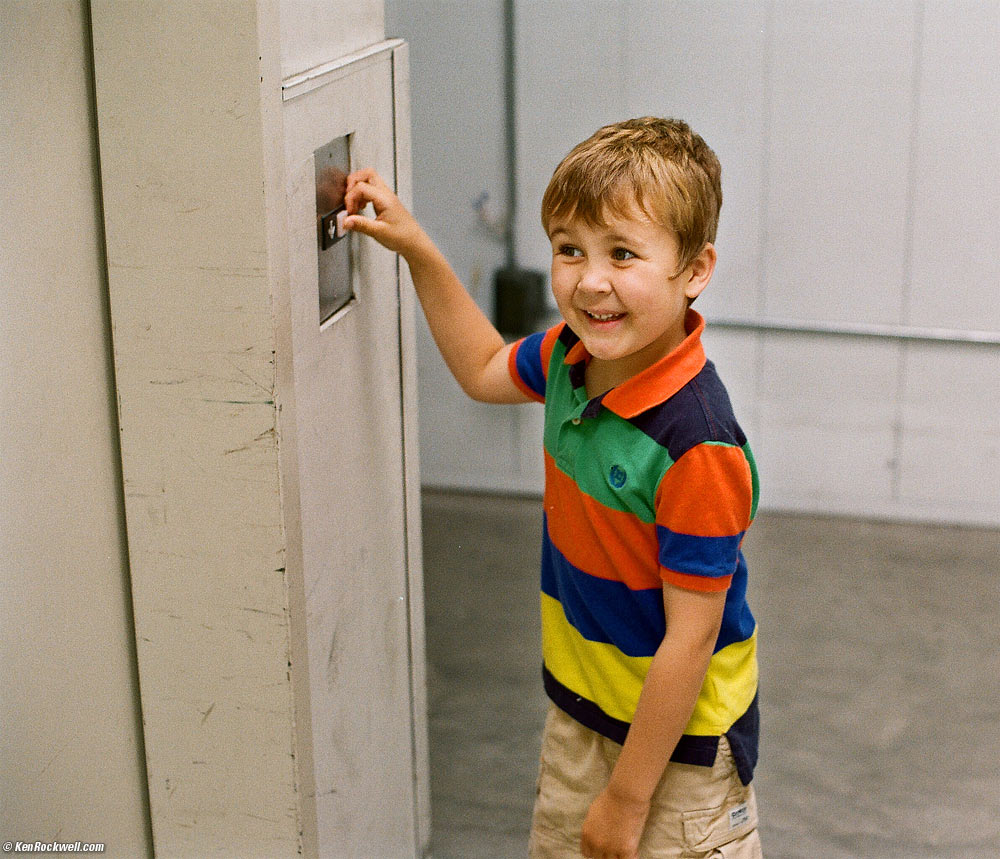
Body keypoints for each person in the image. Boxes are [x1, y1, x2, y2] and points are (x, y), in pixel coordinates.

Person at [343, 116, 761, 859]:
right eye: (569, 249)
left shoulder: (696, 444)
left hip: (679, 750)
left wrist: (629, 800)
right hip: (582, 714)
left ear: (695, 271)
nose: (589, 279)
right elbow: (481, 369)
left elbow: (691, 639)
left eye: (622, 253)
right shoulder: (570, 359)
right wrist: (418, 249)